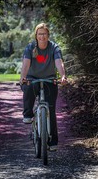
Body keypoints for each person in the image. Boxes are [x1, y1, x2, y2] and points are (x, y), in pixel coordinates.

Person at [20, 23, 67, 151]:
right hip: (33, 79)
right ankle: (28, 114)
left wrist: (63, 76)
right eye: (40, 34)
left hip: (49, 80)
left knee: (50, 111)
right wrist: (23, 77)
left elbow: (59, 62)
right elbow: (25, 65)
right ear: (36, 35)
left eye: (44, 34)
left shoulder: (54, 47)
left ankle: (52, 142)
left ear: (48, 35)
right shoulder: (30, 48)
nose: (42, 36)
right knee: (28, 87)